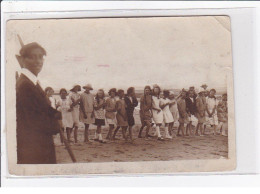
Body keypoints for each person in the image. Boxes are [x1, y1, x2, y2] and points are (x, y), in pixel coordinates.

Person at [16, 42, 60, 164]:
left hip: (39, 144)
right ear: (22, 60)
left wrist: (55, 113)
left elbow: (41, 108)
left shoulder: (33, 82)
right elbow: (34, 121)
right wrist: (55, 124)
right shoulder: (25, 85)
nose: (38, 61)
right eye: (32, 57)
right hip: (34, 147)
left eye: (41, 57)